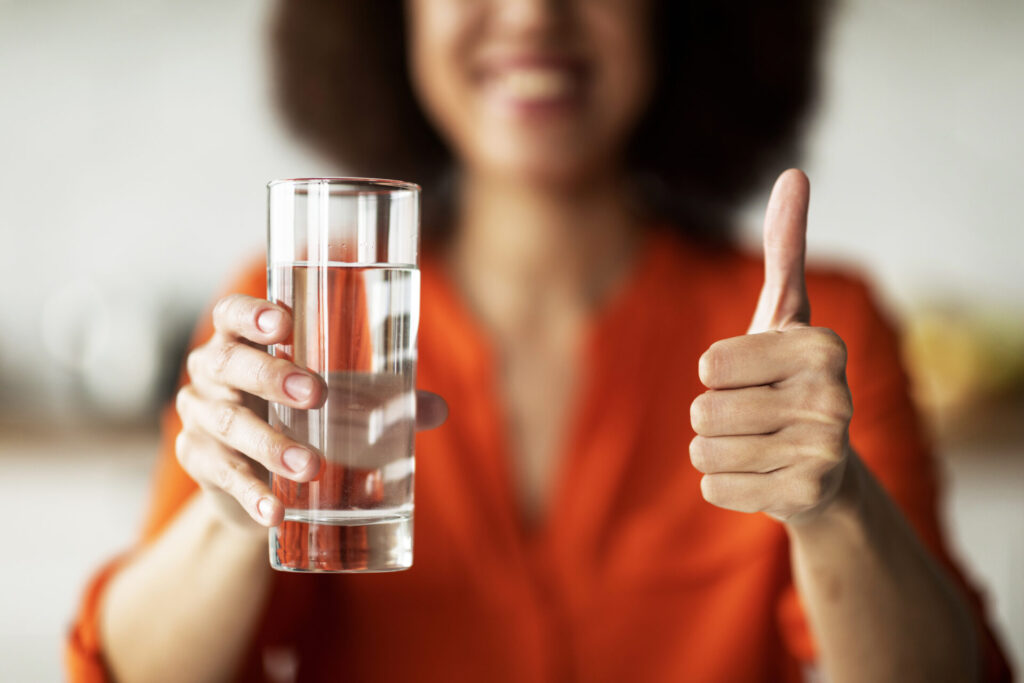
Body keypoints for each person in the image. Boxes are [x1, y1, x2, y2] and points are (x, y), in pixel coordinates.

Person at [68, 1, 1012, 681]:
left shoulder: (813, 333)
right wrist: (232, 519)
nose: (531, 14)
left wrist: (836, 505)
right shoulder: (298, 318)